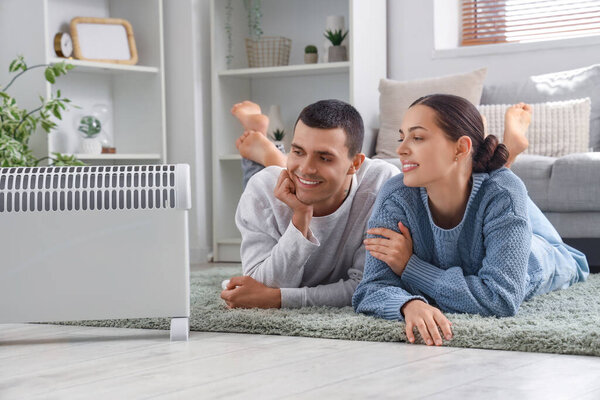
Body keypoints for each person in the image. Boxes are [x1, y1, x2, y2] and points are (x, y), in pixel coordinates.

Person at [352, 94, 590, 346]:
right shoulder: (395, 194)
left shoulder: (504, 193)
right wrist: (408, 305)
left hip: (540, 257)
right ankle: (496, 156)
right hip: (482, 188)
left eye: (417, 137)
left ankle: (504, 157)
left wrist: (412, 267)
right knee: (497, 188)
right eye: (402, 137)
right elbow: (370, 288)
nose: (400, 149)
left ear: (460, 147)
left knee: (569, 258)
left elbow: (500, 299)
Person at [220, 99, 399, 309]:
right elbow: (259, 286)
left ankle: (269, 152)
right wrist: (301, 217)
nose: (306, 168)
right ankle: (259, 138)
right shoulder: (262, 189)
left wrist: (278, 299)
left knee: (303, 179)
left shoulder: (382, 185)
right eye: (297, 151)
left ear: (355, 163)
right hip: (272, 183)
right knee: (266, 180)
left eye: (324, 158)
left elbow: (366, 286)